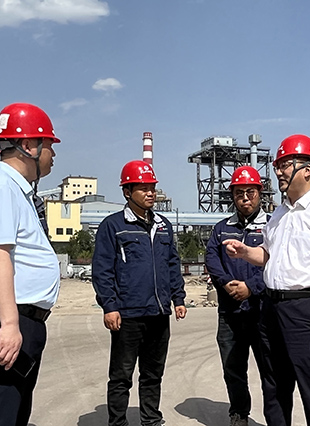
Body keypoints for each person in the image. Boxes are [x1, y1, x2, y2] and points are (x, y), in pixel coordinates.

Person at [224, 135, 310, 426]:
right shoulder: (279, 214)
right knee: (274, 387)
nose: (278, 172)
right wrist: (245, 252)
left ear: (307, 169)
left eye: (285, 165)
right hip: (270, 308)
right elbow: (268, 255)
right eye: (278, 166)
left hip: (306, 308)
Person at [0, 102, 61, 426]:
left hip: (17, 320)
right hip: (2, 320)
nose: (53, 154)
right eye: (49, 145)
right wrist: (9, 324)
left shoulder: (17, 192)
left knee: (12, 415)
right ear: (29, 146)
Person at [92, 160, 187, 426]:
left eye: (152, 188)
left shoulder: (163, 225)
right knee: (121, 375)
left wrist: (178, 298)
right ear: (127, 192)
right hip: (128, 314)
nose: (150, 193)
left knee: (153, 373)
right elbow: (102, 270)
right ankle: (118, 422)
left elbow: (172, 264)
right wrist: (109, 306)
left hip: (159, 312)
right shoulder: (113, 226)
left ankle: (151, 420)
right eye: (143, 188)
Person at [205, 166, 268, 426]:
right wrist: (226, 283)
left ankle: (276, 416)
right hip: (230, 312)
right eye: (239, 193)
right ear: (232, 195)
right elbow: (212, 258)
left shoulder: (272, 226)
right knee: (233, 368)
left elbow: (276, 263)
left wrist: (251, 287)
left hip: (262, 311)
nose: (244, 198)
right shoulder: (221, 229)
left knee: (270, 369)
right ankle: (239, 413)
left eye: (250, 192)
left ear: (259, 193)